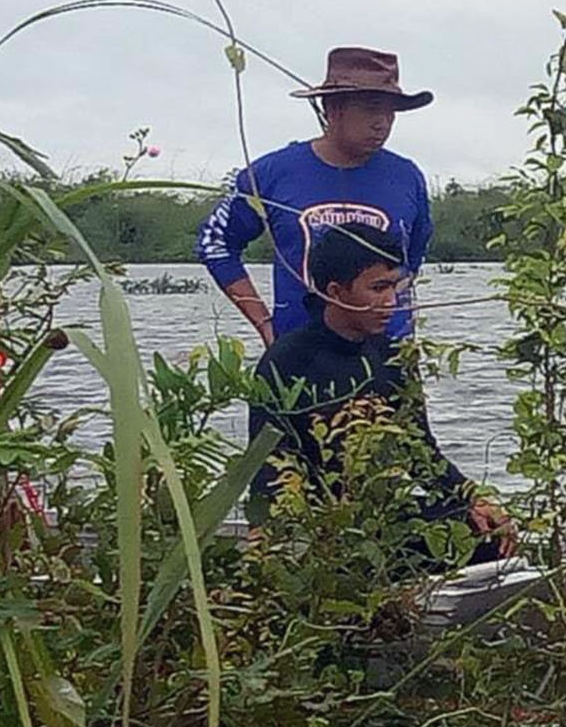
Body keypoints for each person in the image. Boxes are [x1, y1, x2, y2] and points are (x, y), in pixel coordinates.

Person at [248, 225, 511, 557]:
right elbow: (268, 464)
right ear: (336, 291)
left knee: (486, 532)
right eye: (378, 288)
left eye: (395, 288)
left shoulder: (393, 358)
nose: (390, 302)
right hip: (316, 523)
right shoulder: (285, 362)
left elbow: (421, 454)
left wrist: (472, 498)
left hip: (381, 517)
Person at [198, 47, 434, 348]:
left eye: (390, 113)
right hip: (300, 359)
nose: (382, 123)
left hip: (391, 361)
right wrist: (264, 323)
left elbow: (411, 259)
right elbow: (215, 244)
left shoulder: (406, 176)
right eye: (371, 109)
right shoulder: (272, 174)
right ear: (332, 109)